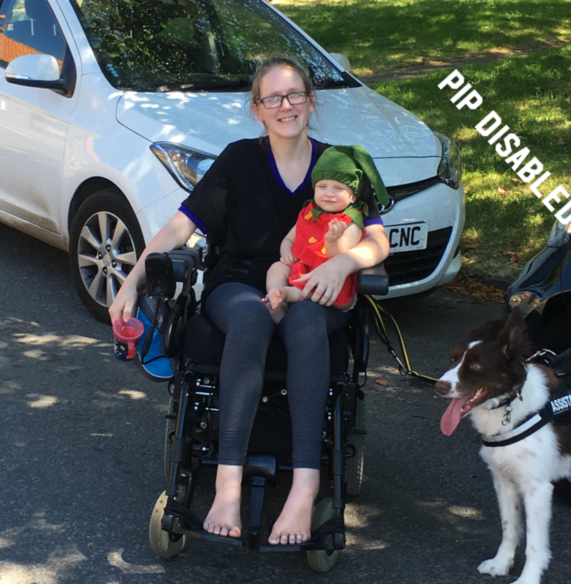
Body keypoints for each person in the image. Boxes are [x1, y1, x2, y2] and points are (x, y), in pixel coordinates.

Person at [109, 57, 390, 545]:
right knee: (253, 316)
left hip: (311, 288)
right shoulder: (239, 159)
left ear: (311, 100)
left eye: (295, 95)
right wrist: (132, 280)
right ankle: (226, 484)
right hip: (237, 283)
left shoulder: (336, 165)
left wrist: (342, 264)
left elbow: (378, 240)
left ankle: (305, 489)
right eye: (273, 98)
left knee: (302, 322)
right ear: (257, 109)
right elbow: (181, 226)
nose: (286, 106)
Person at [263, 145, 388, 321]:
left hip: (331, 280)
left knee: (314, 288)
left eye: (339, 188)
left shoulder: (350, 222)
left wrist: (332, 241)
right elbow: (289, 239)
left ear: (353, 197)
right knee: (276, 268)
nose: (329, 193)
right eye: (322, 186)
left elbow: (339, 256)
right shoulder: (309, 212)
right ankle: (276, 298)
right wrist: (286, 255)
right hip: (302, 267)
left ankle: (287, 294)